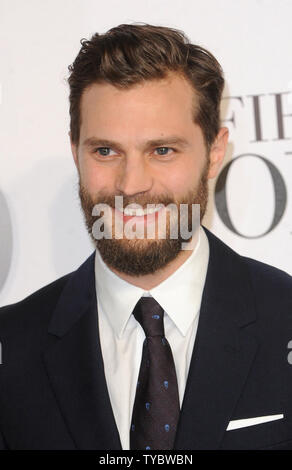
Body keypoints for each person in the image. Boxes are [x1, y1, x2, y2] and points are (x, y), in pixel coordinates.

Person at [0, 23, 292, 451]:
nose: (132, 184)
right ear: (75, 150)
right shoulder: (12, 346)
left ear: (214, 154)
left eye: (162, 150)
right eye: (105, 151)